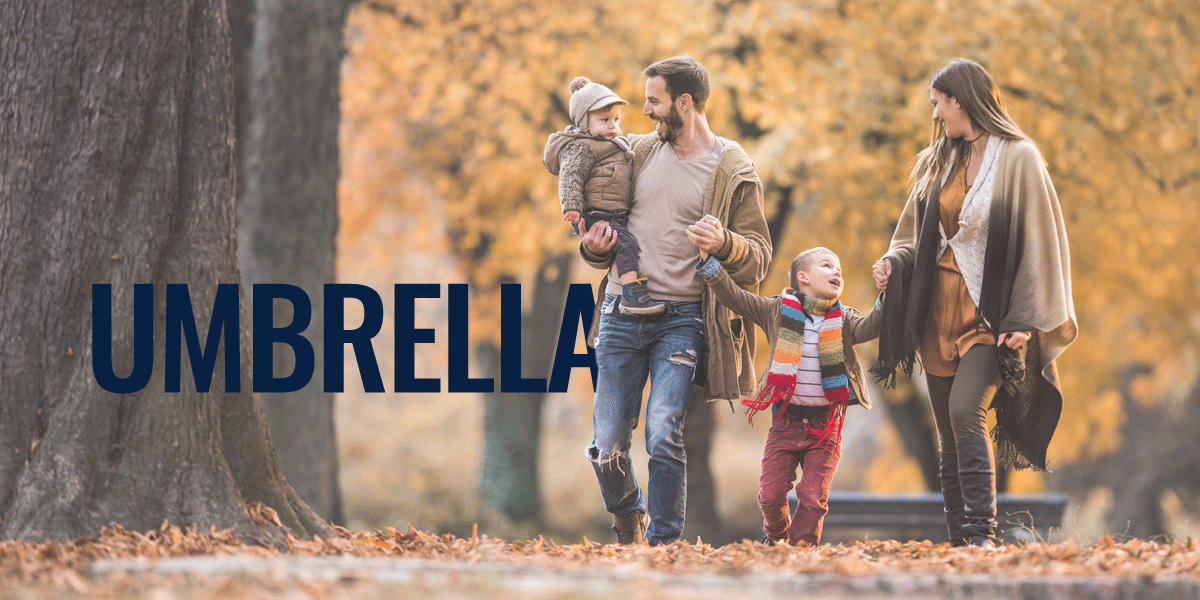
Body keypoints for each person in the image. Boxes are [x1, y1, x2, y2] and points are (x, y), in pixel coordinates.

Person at [872, 58, 1076, 548]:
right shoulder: (939, 160)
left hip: (989, 313)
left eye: (939, 104)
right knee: (947, 430)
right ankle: (960, 540)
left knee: (967, 411)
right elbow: (910, 236)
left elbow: (1040, 240)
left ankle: (981, 534)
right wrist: (893, 263)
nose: (936, 115)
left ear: (960, 99)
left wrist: (1024, 317)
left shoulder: (1020, 157)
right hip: (936, 307)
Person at [576, 56, 772, 545]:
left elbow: (759, 259)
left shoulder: (731, 168)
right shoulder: (636, 153)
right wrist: (593, 247)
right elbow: (605, 226)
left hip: (681, 320)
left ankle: (665, 547)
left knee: (664, 431)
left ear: (684, 103)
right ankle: (628, 515)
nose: (643, 111)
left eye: (654, 101)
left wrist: (725, 243)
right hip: (621, 313)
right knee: (606, 447)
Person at [692, 237, 881, 545]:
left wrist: (886, 295)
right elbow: (737, 298)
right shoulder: (777, 311)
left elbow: (872, 326)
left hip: (826, 426)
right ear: (802, 278)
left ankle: (801, 551)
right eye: (827, 265)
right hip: (786, 423)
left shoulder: (843, 319)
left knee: (812, 497)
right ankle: (778, 541)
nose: (838, 272)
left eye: (840, 269)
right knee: (769, 496)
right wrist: (709, 264)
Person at [544, 76, 663, 314]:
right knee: (627, 243)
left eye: (616, 119)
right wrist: (572, 206)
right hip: (595, 214)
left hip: (611, 212)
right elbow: (571, 174)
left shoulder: (615, 144)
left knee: (628, 241)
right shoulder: (583, 147)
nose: (613, 126)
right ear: (584, 123)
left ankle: (632, 290)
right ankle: (632, 294)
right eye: (605, 120)